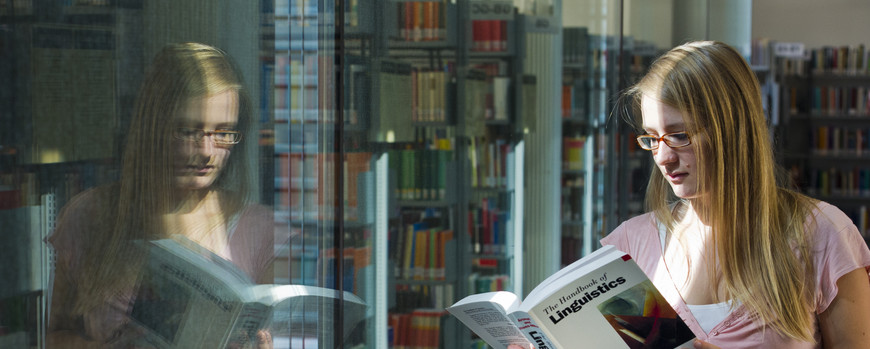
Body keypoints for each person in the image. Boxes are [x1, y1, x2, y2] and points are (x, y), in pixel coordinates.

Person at [510, 41, 870, 349]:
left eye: (680, 135)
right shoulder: (631, 247)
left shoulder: (822, 235)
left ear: (734, 130)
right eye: (652, 138)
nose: (663, 157)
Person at [47, 43, 275, 348]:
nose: (207, 152)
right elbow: (53, 336)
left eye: (223, 133)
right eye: (188, 131)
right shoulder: (89, 214)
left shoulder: (257, 228)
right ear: (153, 127)